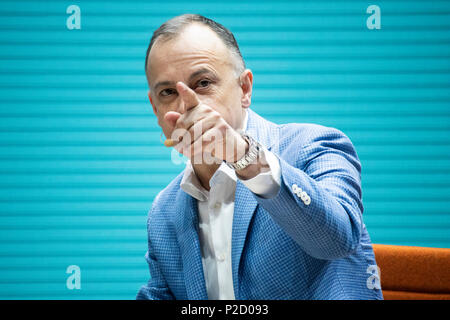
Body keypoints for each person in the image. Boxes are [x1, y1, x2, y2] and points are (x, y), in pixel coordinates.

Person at [136, 14, 383, 300]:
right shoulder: (163, 212)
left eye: (203, 83)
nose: (186, 106)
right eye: (167, 92)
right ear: (156, 109)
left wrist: (243, 155)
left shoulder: (315, 146)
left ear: (245, 89)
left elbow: (339, 240)